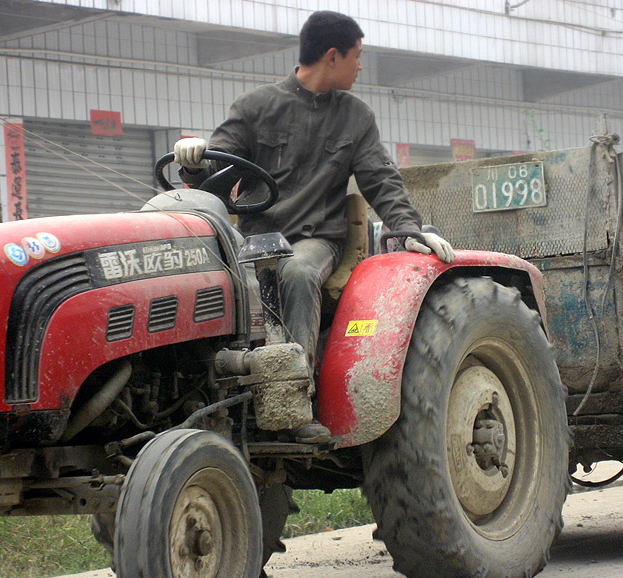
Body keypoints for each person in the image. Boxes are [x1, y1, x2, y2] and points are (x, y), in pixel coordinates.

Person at [174, 10, 455, 443]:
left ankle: (293, 401)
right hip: (252, 242)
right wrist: (192, 161)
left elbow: (381, 179)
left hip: (314, 240)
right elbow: (214, 177)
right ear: (332, 56)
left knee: (297, 271)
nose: (361, 66)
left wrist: (409, 229)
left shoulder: (355, 117)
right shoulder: (254, 108)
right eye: (357, 56)